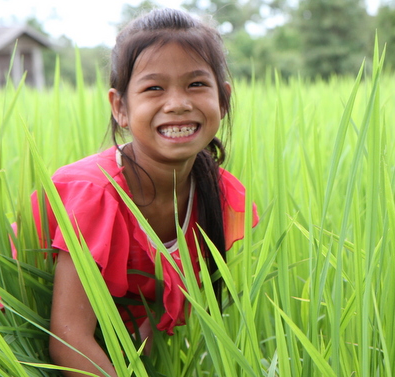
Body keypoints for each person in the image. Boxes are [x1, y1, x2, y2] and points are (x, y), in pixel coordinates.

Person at [30, 8, 258, 376]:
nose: (178, 103)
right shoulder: (96, 194)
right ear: (120, 107)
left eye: (196, 84)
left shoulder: (219, 196)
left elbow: (153, 310)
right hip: (14, 324)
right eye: (154, 88)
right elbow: (69, 338)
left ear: (223, 100)